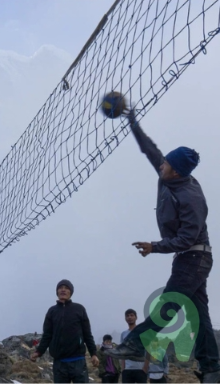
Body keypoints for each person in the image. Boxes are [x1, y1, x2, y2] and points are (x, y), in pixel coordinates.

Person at [105, 108, 220, 383]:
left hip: (195, 257)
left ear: (177, 171)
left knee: (169, 301)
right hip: (187, 258)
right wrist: (132, 120)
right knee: (199, 316)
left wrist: (154, 246)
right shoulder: (168, 172)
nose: (161, 165)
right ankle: (213, 368)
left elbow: (187, 239)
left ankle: (137, 341)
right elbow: (150, 150)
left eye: (166, 164)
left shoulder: (192, 197)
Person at [30, 279, 99, 383]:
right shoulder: (52, 311)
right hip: (59, 363)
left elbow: (87, 334)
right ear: (57, 292)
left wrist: (93, 353)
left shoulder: (79, 309)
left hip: (78, 361)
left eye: (66, 288)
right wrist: (39, 352)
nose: (63, 290)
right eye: (60, 288)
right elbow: (47, 335)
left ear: (70, 292)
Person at [120, 309, 147, 383]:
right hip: (127, 370)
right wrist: (123, 368)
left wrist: (145, 368)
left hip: (140, 369)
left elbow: (148, 350)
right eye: (127, 316)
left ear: (136, 317)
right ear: (125, 318)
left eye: (132, 315)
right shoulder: (123, 334)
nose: (129, 317)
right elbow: (122, 352)